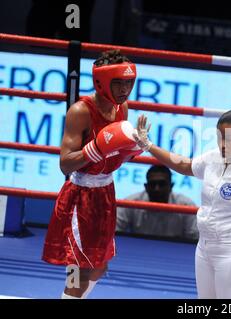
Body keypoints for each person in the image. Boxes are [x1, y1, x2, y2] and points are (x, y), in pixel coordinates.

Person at [132, 109, 231, 299]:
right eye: (220, 137)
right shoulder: (213, 157)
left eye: (229, 138)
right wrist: (148, 145)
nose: (222, 144)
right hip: (204, 248)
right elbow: (184, 165)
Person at [42, 50, 140, 299]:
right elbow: (65, 165)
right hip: (79, 198)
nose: (124, 89)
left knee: (99, 266)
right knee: (77, 271)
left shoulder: (122, 109)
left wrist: (134, 148)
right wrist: (95, 148)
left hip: (105, 194)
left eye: (129, 82)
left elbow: (112, 159)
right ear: (101, 81)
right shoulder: (80, 111)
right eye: (118, 82)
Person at [116, 165, 198, 241]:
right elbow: (115, 232)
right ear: (146, 187)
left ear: (171, 186)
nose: (157, 189)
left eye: (162, 184)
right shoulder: (131, 203)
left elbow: (195, 239)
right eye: (153, 184)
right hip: (139, 250)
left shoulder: (186, 206)